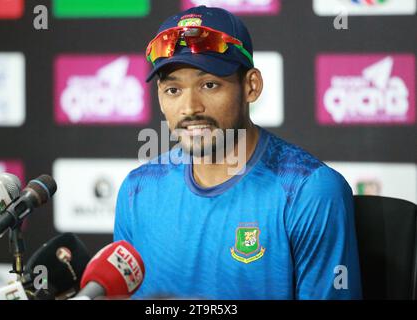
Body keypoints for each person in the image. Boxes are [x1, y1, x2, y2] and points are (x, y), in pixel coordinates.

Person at [114, 5, 362, 299]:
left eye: (209, 84)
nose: (190, 107)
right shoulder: (137, 189)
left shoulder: (309, 190)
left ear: (251, 86)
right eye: (173, 90)